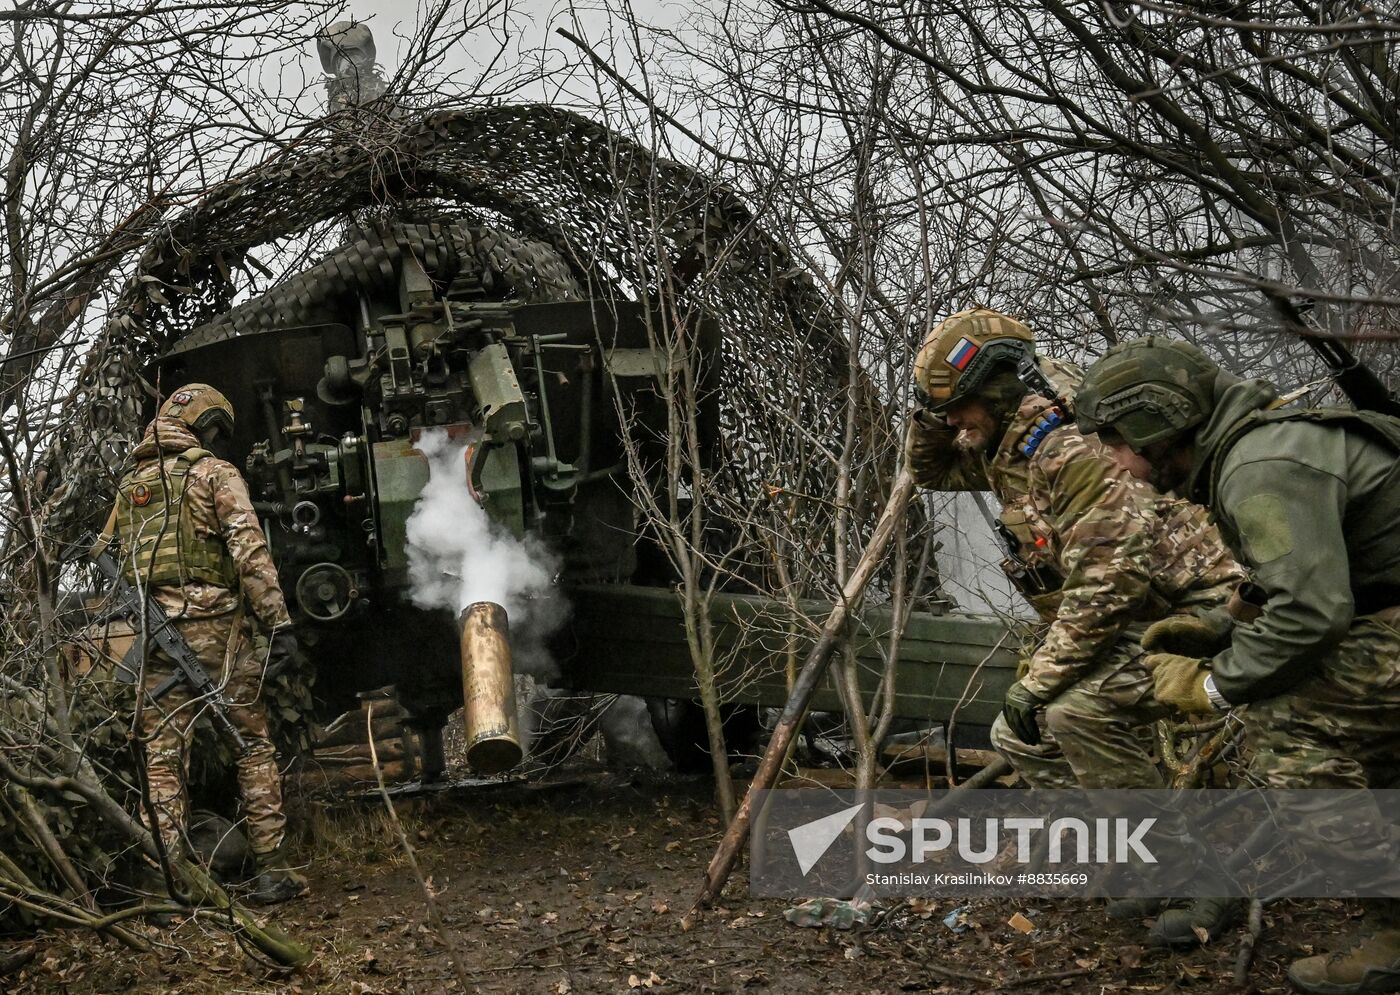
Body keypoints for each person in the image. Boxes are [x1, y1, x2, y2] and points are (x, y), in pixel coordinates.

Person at [1076, 336, 1400, 995]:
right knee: (1358, 721)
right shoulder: (1256, 447)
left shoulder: (1257, 465)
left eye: (1115, 438)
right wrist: (1222, 626)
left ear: (1155, 420)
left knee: (1286, 729)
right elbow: (1324, 571)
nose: (1115, 459)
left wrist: (1213, 685)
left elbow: (1314, 612)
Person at [908, 307, 1244, 943]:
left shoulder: (1070, 448)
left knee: (1067, 713)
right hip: (1139, 618)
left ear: (1000, 389)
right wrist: (929, 410)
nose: (953, 424)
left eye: (961, 407)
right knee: (1021, 735)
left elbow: (1106, 584)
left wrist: (1040, 681)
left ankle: (1202, 877)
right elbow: (930, 471)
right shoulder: (1008, 442)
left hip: (1204, 617)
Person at [95, 383, 308, 906]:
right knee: (253, 746)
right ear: (205, 427)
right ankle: (272, 871)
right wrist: (279, 626)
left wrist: (139, 599)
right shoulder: (215, 474)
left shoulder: (131, 486)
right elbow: (250, 551)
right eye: (216, 431)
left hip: (155, 637)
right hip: (219, 632)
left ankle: (168, 889)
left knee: (162, 759)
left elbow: (102, 552)